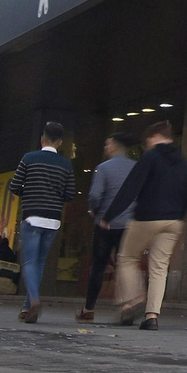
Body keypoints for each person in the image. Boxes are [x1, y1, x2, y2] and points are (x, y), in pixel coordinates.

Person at [103, 119, 187, 330]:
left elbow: (131, 188)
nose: (146, 145)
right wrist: (180, 218)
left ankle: (132, 300)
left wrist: (109, 215)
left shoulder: (150, 157)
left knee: (126, 258)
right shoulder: (184, 162)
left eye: (147, 141)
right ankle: (152, 316)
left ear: (154, 137)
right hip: (174, 221)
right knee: (159, 268)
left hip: (147, 217)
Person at [4, 121, 77, 325]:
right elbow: (70, 194)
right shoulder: (66, 164)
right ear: (60, 142)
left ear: (42, 139)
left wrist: (29, 191)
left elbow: (15, 185)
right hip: (53, 219)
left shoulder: (29, 158)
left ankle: (34, 300)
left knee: (28, 261)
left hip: (32, 216)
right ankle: (27, 306)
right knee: (40, 262)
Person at [77, 132, 135, 323]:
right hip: (129, 225)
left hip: (105, 224)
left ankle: (89, 309)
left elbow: (95, 195)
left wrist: (94, 211)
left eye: (107, 144)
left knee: (98, 267)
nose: (105, 147)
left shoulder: (103, 168)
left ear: (113, 146)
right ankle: (127, 305)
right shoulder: (136, 167)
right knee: (126, 265)